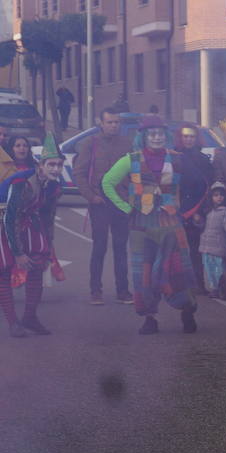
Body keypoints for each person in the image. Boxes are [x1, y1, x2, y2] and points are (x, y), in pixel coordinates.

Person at [100, 115, 199, 335]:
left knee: (179, 271)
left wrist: (186, 210)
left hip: (171, 224)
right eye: (152, 134)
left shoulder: (178, 159)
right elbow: (107, 183)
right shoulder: (130, 159)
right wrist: (126, 208)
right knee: (143, 275)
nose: (157, 137)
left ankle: (187, 311)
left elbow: (200, 184)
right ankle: (149, 318)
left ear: (166, 136)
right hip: (141, 227)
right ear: (143, 136)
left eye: (160, 134)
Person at [73, 108, 134, 305]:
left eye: (116, 122)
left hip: (121, 202)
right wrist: (91, 197)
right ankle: (95, 291)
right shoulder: (90, 143)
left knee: (121, 247)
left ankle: (123, 291)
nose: (114, 125)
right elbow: (79, 174)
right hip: (99, 202)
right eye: (110, 122)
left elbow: (135, 172)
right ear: (101, 123)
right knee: (99, 247)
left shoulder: (127, 143)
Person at [0, 153, 63, 337]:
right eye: (51, 164)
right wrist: (18, 253)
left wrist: (48, 242)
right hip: (3, 222)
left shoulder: (53, 185)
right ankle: (13, 323)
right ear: (40, 165)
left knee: (38, 264)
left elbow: (48, 216)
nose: (56, 169)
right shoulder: (21, 182)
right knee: (4, 269)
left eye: (59, 165)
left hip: (27, 219)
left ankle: (29, 317)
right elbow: (10, 218)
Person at [173, 126, 215, 294]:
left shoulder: (203, 159)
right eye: (185, 136)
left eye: (191, 136)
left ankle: (198, 283)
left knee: (195, 250)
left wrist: (201, 212)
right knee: (176, 250)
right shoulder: (173, 157)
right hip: (176, 209)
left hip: (196, 210)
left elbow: (208, 186)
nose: (188, 139)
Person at [199, 183, 226, 297]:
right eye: (216, 195)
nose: (219, 197)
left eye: (221, 195)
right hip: (206, 244)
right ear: (211, 197)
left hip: (219, 244)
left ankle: (221, 287)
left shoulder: (225, 211)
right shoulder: (208, 211)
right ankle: (214, 288)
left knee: (219, 268)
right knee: (209, 268)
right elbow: (202, 225)